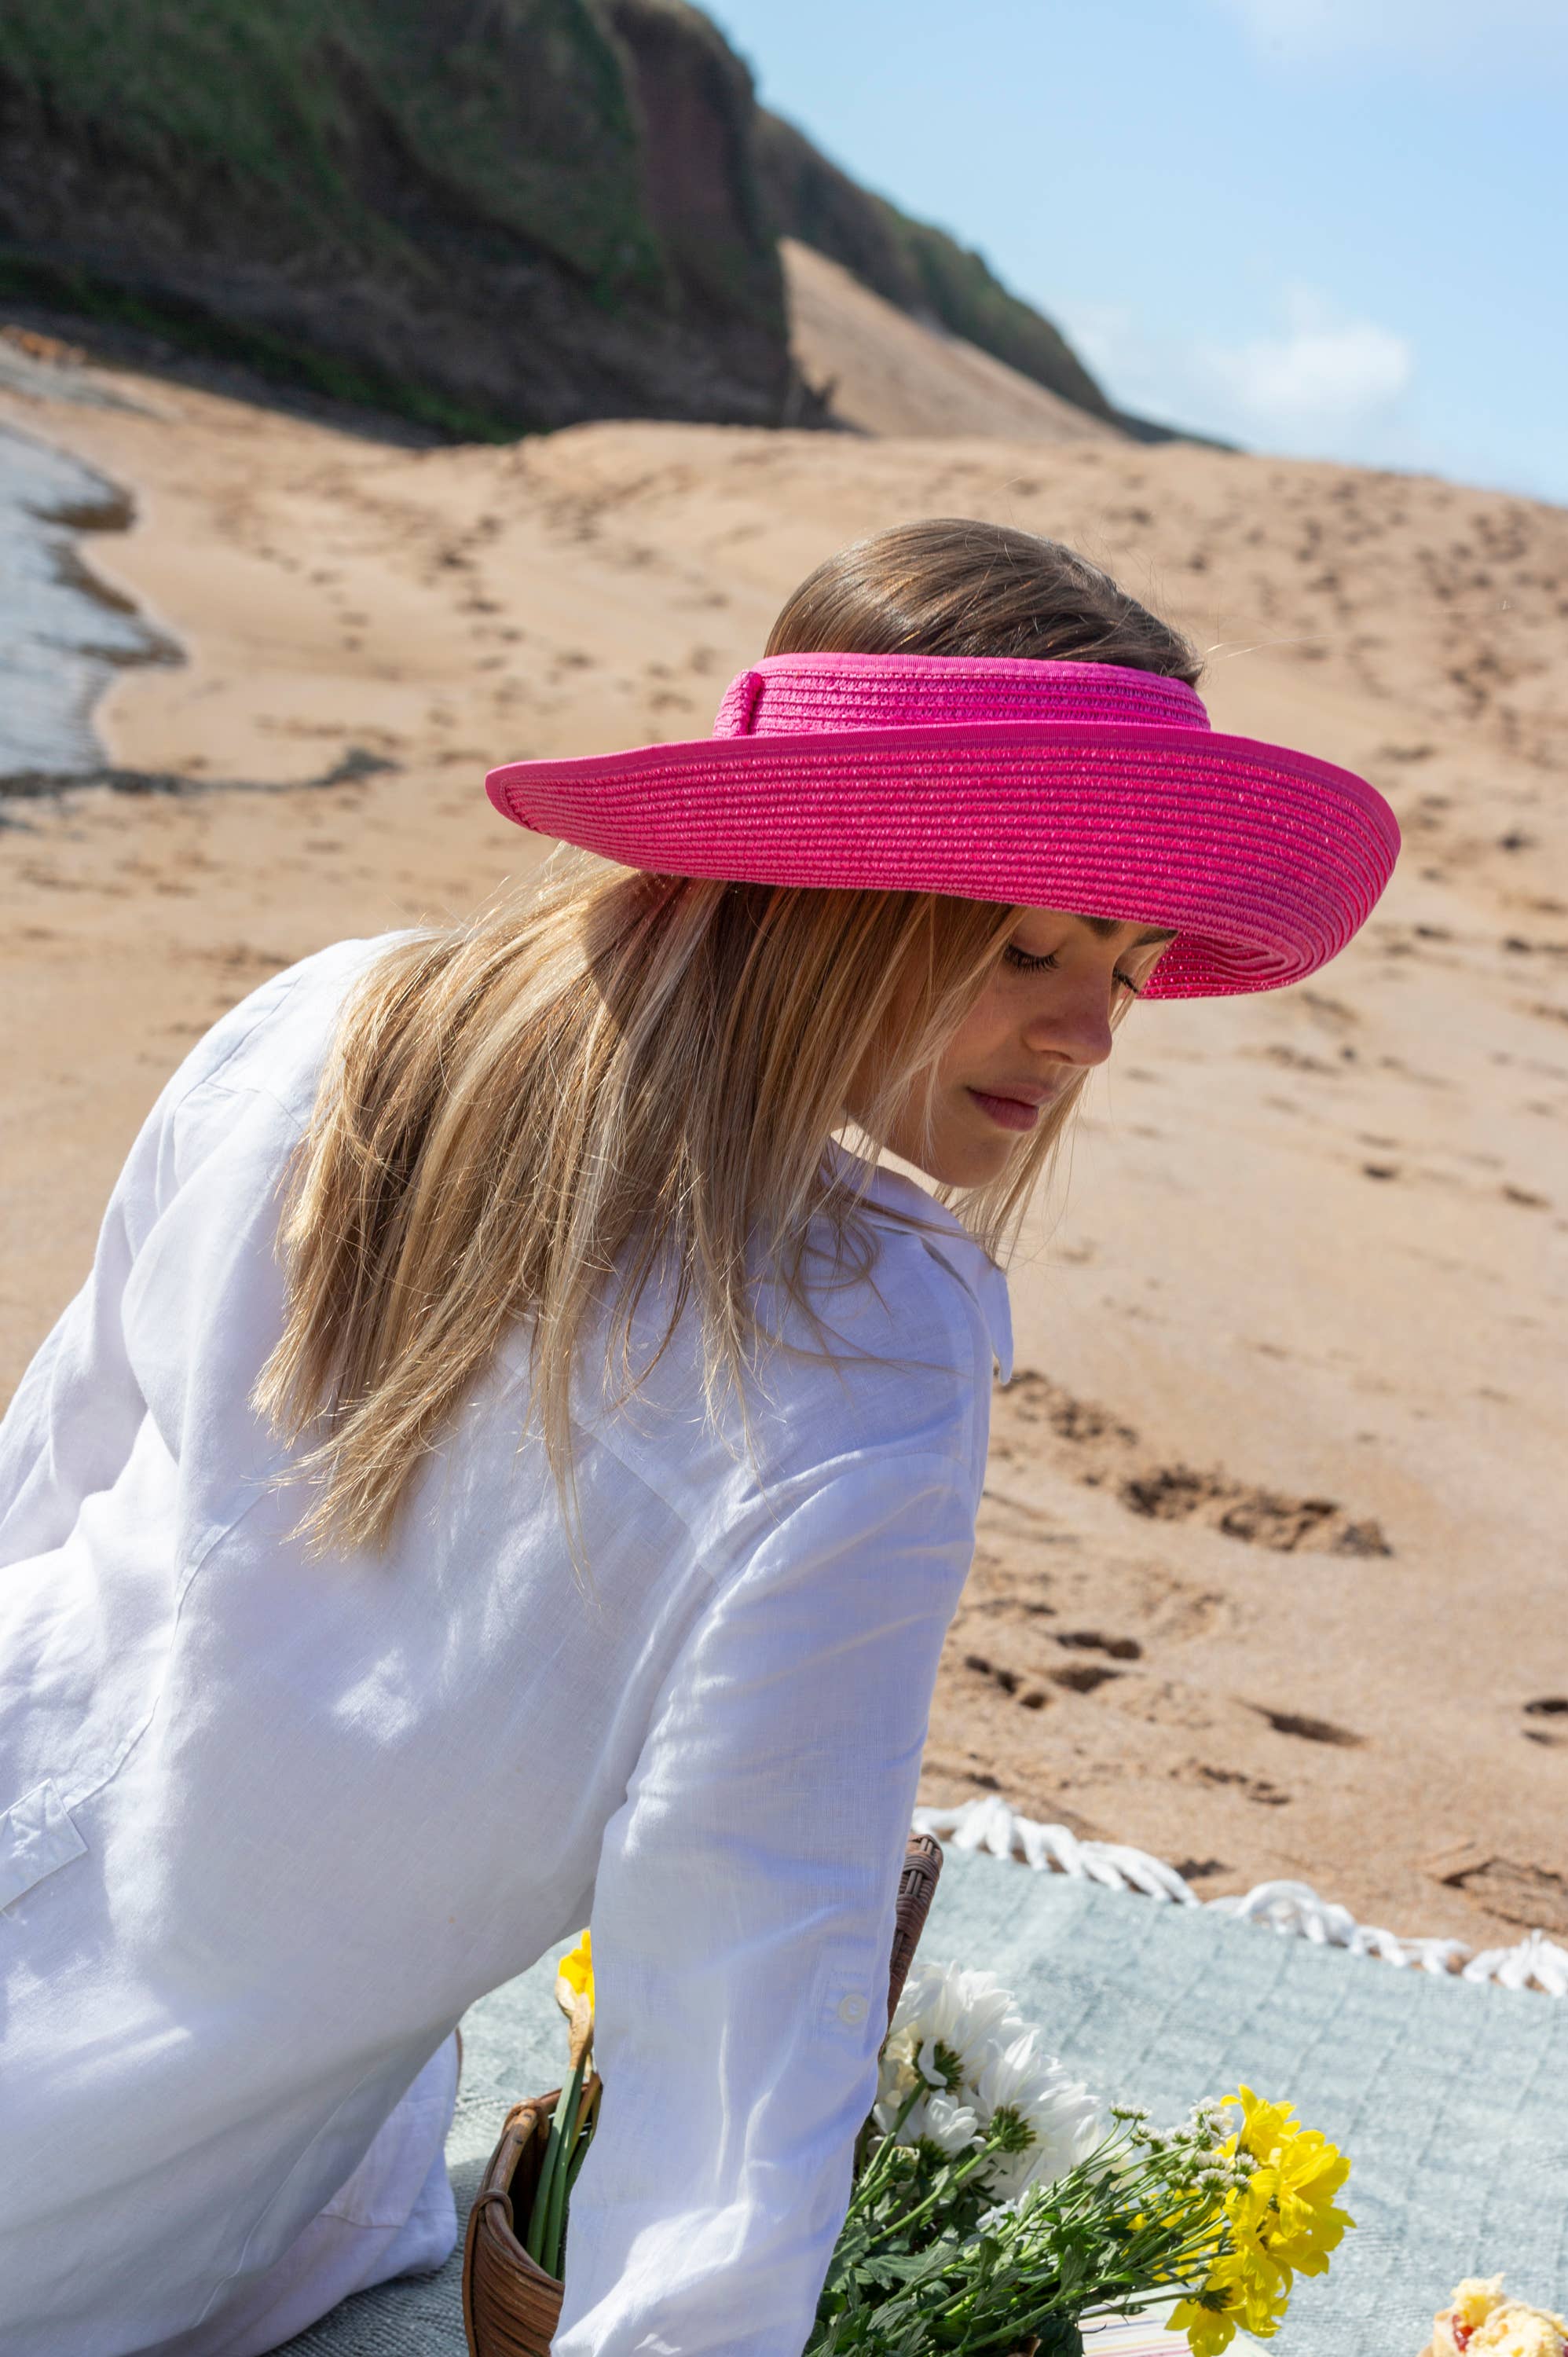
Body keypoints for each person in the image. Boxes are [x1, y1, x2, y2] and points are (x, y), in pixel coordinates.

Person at [0, 519, 1399, 2356]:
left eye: (1127, 966)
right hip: (104, 2166)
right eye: (1029, 946)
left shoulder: (333, 1016)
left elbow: (53, 1481)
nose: (1091, 1037)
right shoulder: (852, 1357)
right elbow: (748, 1969)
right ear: (826, 893)